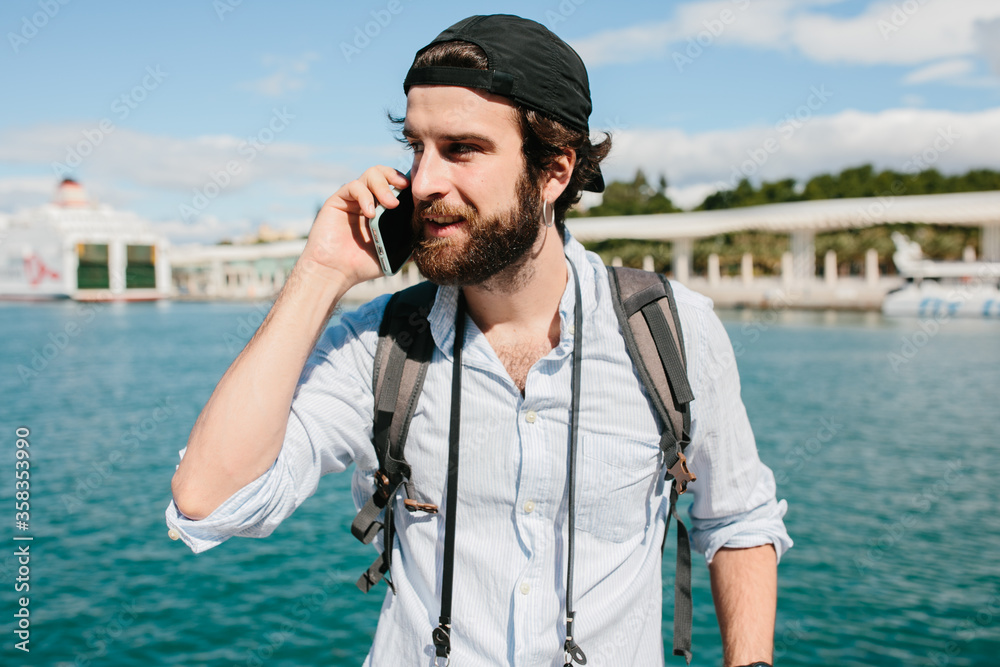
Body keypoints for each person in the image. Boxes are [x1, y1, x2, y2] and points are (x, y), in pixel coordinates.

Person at [166, 14, 791, 667]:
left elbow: (737, 521)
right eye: (417, 147)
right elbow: (210, 500)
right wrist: (322, 272)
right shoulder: (380, 345)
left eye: (461, 148)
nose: (423, 182)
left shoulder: (671, 332)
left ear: (554, 171)